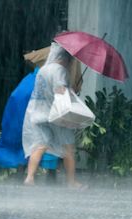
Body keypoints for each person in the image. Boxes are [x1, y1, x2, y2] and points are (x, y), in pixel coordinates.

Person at [22, 42, 83, 188]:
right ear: (66, 59)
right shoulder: (59, 70)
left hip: (39, 114)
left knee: (40, 145)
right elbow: (60, 90)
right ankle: (71, 182)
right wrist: (71, 93)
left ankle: (29, 178)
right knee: (68, 148)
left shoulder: (43, 70)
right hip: (56, 116)